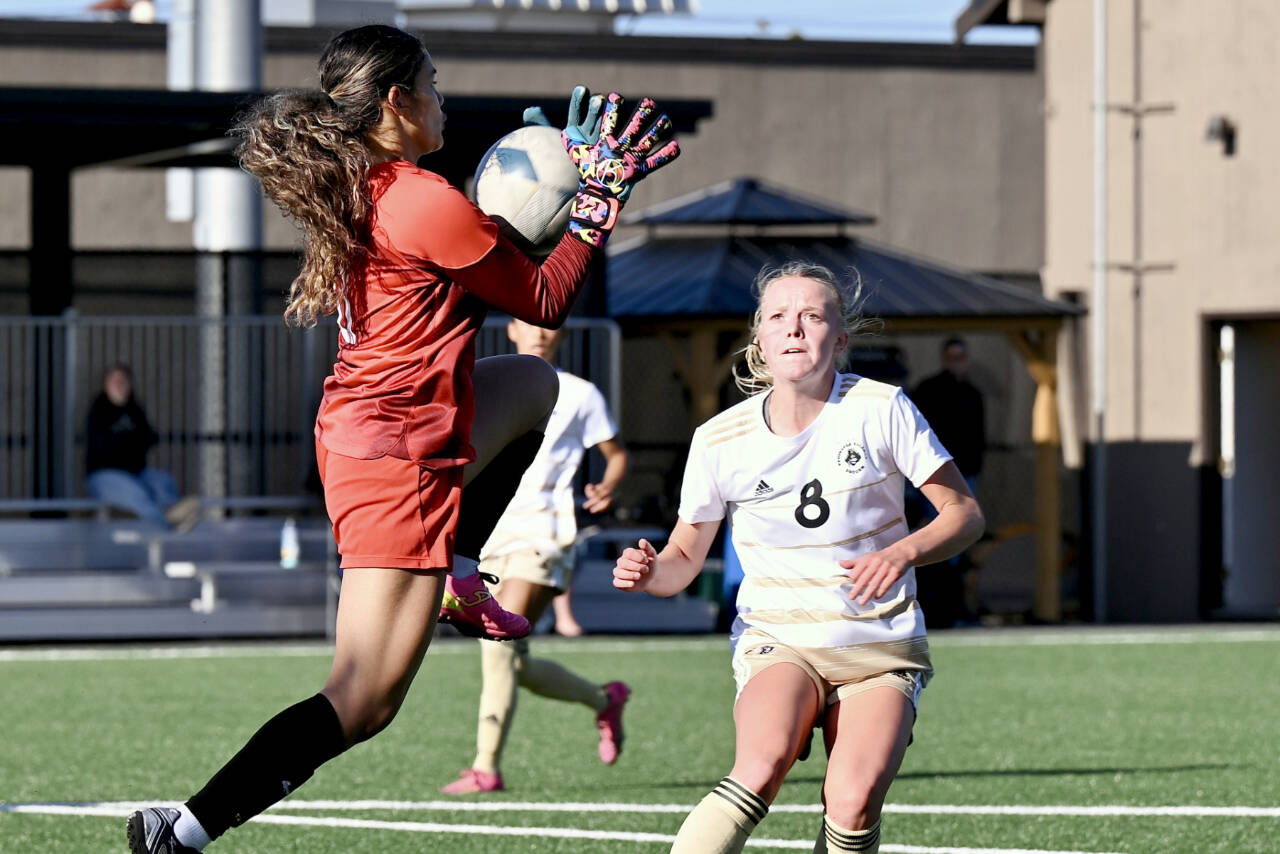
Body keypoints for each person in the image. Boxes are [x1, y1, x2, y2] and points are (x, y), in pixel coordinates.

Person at [126, 24, 678, 853]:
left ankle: (457, 566)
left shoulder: (382, 184)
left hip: (380, 431)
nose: (444, 96)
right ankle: (188, 828)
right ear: (396, 101)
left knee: (534, 386)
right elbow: (543, 299)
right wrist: (594, 202)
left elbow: (493, 277)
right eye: (434, 81)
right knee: (363, 701)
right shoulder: (421, 199)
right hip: (398, 458)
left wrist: (552, 179)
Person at [612, 262, 983, 854]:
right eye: (778, 317)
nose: (794, 328)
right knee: (759, 766)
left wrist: (903, 551)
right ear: (759, 338)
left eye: (812, 316)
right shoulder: (718, 439)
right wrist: (652, 571)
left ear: (840, 339)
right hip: (779, 639)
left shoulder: (881, 408)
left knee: (852, 801)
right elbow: (684, 555)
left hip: (877, 644)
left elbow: (964, 515)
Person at [441, 318, 630, 794]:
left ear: (563, 335)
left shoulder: (581, 393)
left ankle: (486, 766)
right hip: (487, 536)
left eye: (551, 326)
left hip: (545, 533)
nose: (541, 332)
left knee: (497, 648)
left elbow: (616, 454)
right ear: (511, 331)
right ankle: (603, 699)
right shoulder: (495, 381)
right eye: (531, 324)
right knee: (516, 662)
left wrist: (607, 485)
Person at [910, 337, 986, 625]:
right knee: (935, 543)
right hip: (934, 479)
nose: (957, 361)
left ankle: (952, 608)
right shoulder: (929, 390)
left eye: (961, 356)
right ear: (944, 357)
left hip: (966, 476)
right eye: (952, 356)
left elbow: (979, 437)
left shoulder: (972, 393)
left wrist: (976, 470)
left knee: (960, 546)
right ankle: (934, 606)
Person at [85, 362, 200, 530]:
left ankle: (173, 509)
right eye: (114, 381)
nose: (119, 386)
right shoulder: (99, 409)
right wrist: (129, 443)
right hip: (104, 475)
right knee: (137, 493)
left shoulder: (135, 410)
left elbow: (148, 438)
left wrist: (129, 443)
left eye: (123, 381)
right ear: (106, 385)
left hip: (135, 472)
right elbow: (107, 445)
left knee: (162, 481)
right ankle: (168, 525)